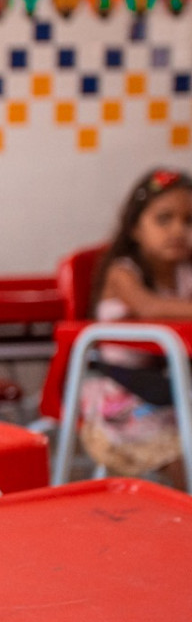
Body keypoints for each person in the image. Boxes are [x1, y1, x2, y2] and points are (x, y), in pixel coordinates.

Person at [80, 167, 192, 481]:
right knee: (181, 455)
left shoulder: (185, 272)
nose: (178, 230)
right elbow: (150, 307)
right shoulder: (123, 272)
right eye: (164, 219)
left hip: (169, 385)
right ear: (134, 228)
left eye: (189, 221)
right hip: (120, 391)